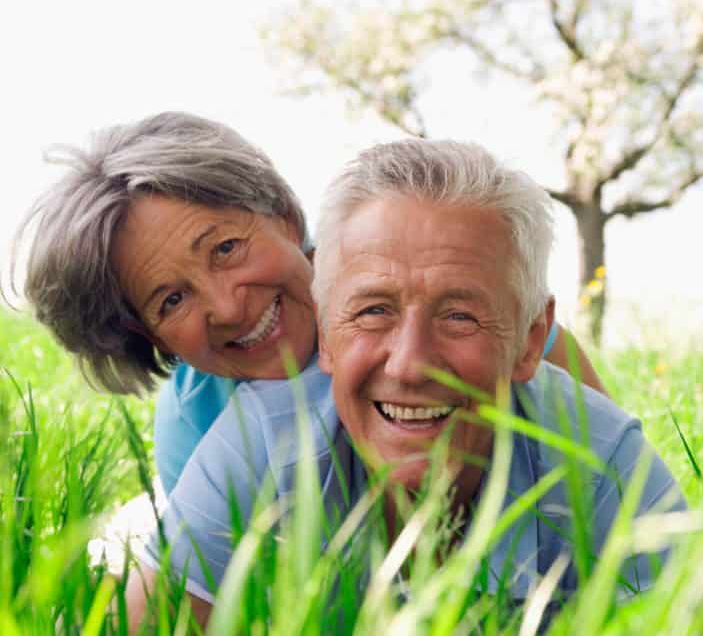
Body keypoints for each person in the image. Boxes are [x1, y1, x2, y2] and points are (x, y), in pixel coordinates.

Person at [125, 139, 685, 630]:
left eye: (459, 316)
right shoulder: (257, 441)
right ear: (326, 331)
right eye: (373, 310)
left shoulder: (601, 462)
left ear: (530, 339)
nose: (410, 365)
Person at [13, 111, 606, 496]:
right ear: (150, 336)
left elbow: (611, 480)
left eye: (225, 248)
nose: (226, 307)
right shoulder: (195, 422)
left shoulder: (463, 321)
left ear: (284, 218)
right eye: (170, 299)